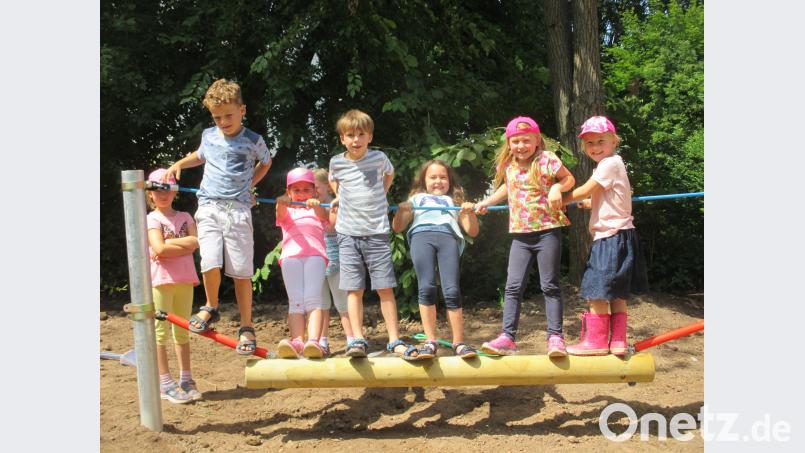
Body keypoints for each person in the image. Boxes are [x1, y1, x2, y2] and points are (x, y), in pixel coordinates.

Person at [163, 78, 273, 355]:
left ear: (242, 110)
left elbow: (267, 162)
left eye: (228, 115)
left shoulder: (253, 140)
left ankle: (246, 325)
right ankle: (211, 307)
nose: (223, 121)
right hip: (209, 206)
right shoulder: (209, 136)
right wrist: (178, 163)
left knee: (240, 270)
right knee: (209, 260)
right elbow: (199, 156)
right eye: (217, 117)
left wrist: (250, 185)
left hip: (237, 210)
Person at [475, 116, 575, 357]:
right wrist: (487, 202)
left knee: (549, 285)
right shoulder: (509, 166)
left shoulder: (546, 160)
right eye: (515, 141)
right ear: (509, 143)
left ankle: (555, 337)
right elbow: (507, 188)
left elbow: (568, 179)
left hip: (547, 231)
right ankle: (508, 337)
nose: (520, 146)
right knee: (512, 287)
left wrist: (555, 187)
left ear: (537, 140)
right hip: (521, 235)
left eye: (526, 141)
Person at [328, 109, 419, 360]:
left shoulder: (379, 158)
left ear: (369, 136)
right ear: (342, 139)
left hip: (376, 233)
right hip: (347, 235)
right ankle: (357, 339)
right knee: (353, 289)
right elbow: (332, 178)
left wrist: (382, 191)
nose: (356, 140)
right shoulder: (337, 162)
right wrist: (338, 195)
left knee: (384, 288)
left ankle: (394, 339)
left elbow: (389, 174)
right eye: (350, 135)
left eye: (361, 134)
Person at [562, 116, 648, 356]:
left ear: (614, 141)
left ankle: (597, 342)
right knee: (617, 291)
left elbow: (587, 188)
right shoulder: (615, 164)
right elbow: (613, 196)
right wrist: (592, 204)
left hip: (610, 237)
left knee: (596, 289)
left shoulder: (609, 163)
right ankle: (618, 342)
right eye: (589, 143)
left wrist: (562, 198)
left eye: (601, 140)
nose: (595, 147)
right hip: (623, 235)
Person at [391, 160, 480, 359]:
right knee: (427, 287)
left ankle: (458, 343)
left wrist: (468, 212)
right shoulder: (416, 198)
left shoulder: (453, 200)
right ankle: (430, 342)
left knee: (451, 290)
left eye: (443, 177)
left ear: (449, 181)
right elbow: (397, 227)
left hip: (448, 237)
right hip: (421, 236)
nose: (438, 181)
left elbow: (472, 230)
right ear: (424, 181)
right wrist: (402, 210)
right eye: (433, 177)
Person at [146, 168, 201, 404]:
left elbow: (196, 242)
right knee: (160, 333)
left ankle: (186, 379)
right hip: (161, 281)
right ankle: (165, 382)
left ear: (175, 191)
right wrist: (181, 244)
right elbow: (159, 249)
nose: (162, 194)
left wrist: (171, 243)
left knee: (182, 330)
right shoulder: (152, 219)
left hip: (185, 279)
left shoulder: (186, 217)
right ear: (150, 194)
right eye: (157, 190)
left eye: (166, 189)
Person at [275, 168, 331, 358]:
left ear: (314, 191)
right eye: (296, 190)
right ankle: (297, 340)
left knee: (314, 300)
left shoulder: (318, 209)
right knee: (296, 302)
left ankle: (313, 341)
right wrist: (281, 203)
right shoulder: (288, 209)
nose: (301, 194)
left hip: (315, 256)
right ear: (289, 192)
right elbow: (281, 214)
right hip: (291, 257)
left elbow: (325, 217)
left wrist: (315, 205)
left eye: (306, 190)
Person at [313, 168, 355, 357]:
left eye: (316, 187)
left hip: (334, 260)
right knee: (321, 304)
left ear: (328, 188)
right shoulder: (305, 205)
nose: (313, 192)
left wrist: (317, 209)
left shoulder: (333, 204)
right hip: (315, 260)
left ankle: (352, 339)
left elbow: (331, 227)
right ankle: (322, 341)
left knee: (342, 303)